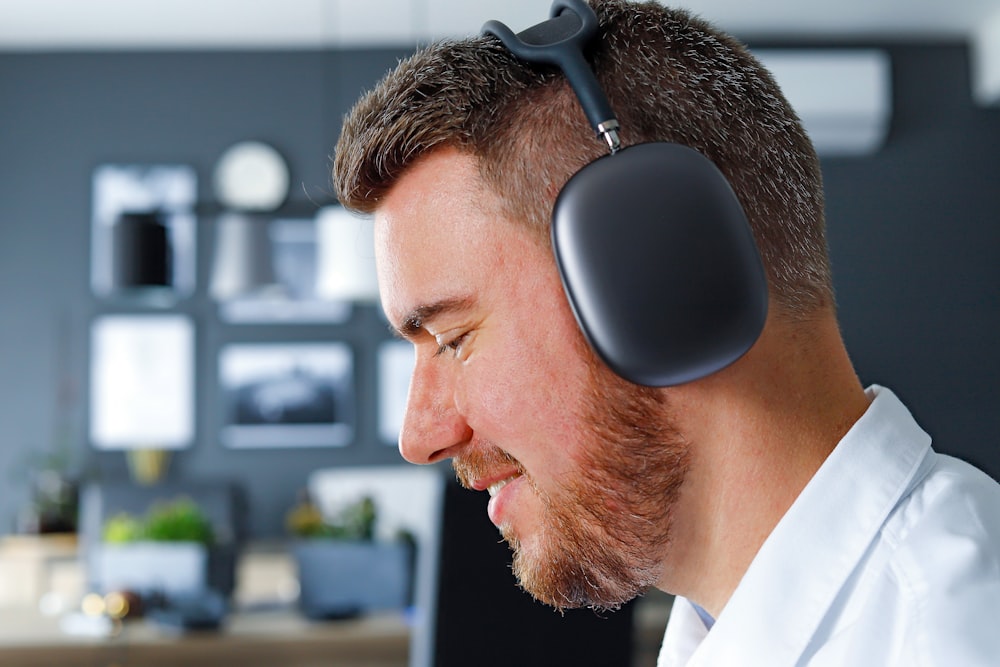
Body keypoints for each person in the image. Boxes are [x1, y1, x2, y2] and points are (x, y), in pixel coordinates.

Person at [332, 0, 1000, 664]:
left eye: (452, 338)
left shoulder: (948, 636)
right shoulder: (722, 628)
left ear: (656, 279)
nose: (419, 437)